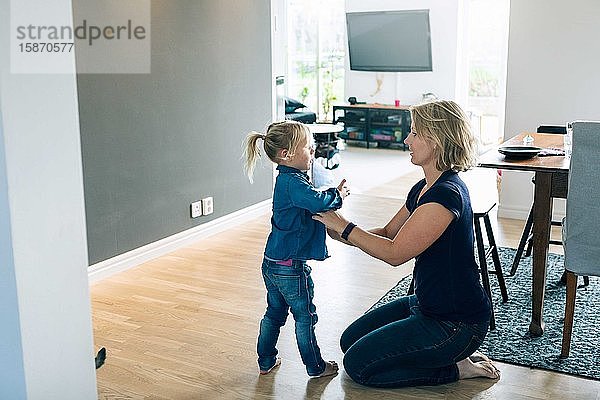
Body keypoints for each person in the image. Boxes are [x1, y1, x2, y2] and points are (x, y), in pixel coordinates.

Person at [312, 100, 500, 388]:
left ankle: (456, 368)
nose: (406, 139)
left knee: (359, 367)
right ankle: (444, 356)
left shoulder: (445, 196)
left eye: (414, 133)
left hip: (455, 323)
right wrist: (338, 233)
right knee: (349, 341)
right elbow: (388, 233)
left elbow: (395, 253)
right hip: (426, 305)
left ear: (436, 141)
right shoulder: (424, 187)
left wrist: (346, 228)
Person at [243, 120, 349, 378]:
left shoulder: (289, 180)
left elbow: (309, 198)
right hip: (290, 267)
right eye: (308, 148)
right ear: (286, 154)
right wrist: (338, 195)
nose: (313, 152)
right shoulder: (294, 184)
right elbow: (316, 201)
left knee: (275, 313)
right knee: (305, 316)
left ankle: (266, 360)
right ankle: (316, 366)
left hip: (273, 261)